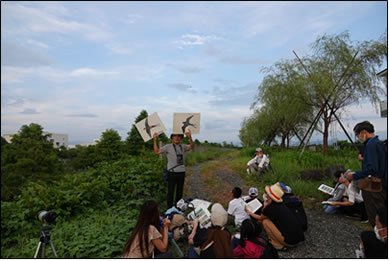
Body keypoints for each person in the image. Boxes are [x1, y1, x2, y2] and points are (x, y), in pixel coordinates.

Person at [346, 121, 387, 226]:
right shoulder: (378, 143)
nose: (358, 137)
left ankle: (379, 236)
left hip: (375, 185)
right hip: (382, 183)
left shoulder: (371, 145)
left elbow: (372, 168)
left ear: (364, 132)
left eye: (357, 135)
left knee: (375, 213)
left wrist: (354, 176)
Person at [246, 184, 304, 250]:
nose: (266, 194)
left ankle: (276, 244)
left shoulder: (270, 208)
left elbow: (260, 218)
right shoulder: (281, 204)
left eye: (267, 193)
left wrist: (249, 212)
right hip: (297, 238)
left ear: (270, 196)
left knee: (265, 222)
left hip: (290, 242)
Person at [153, 130, 194, 208]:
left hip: (181, 172)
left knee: (179, 192)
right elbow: (157, 151)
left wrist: (190, 137)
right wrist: (154, 140)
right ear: (172, 138)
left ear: (181, 138)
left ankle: (178, 207)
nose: (177, 138)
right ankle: (169, 208)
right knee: (170, 192)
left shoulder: (183, 146)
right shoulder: (168, 146)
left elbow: (191, 146)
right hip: (172, 172)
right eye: (175, 136)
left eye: (179, 136)